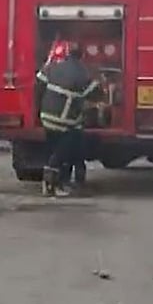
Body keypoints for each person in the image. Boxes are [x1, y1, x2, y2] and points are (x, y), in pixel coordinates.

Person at [35, 41, 100, 197]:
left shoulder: (54, 66)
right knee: (60, 154)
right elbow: (95, 93)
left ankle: (57, 183)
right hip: (65, 121)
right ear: (82, 56)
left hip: (46, 117)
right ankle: (51, 186)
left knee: (52, 151)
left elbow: (39, 83)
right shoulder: (83, 73)